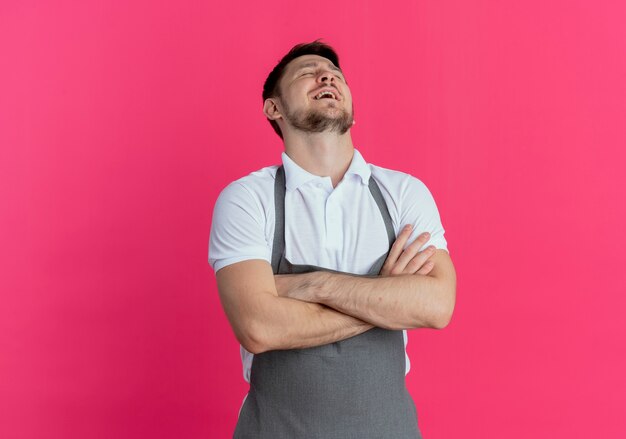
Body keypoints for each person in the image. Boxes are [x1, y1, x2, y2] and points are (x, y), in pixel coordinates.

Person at [208, 40, 456, 438]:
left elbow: (438, 306)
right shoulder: (247, 199)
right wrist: (386, 297)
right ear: (274, 108)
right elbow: (258, 327)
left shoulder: (402, 193)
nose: (326, 76)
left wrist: (308, 286)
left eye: (334, 74)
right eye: (308, 72)